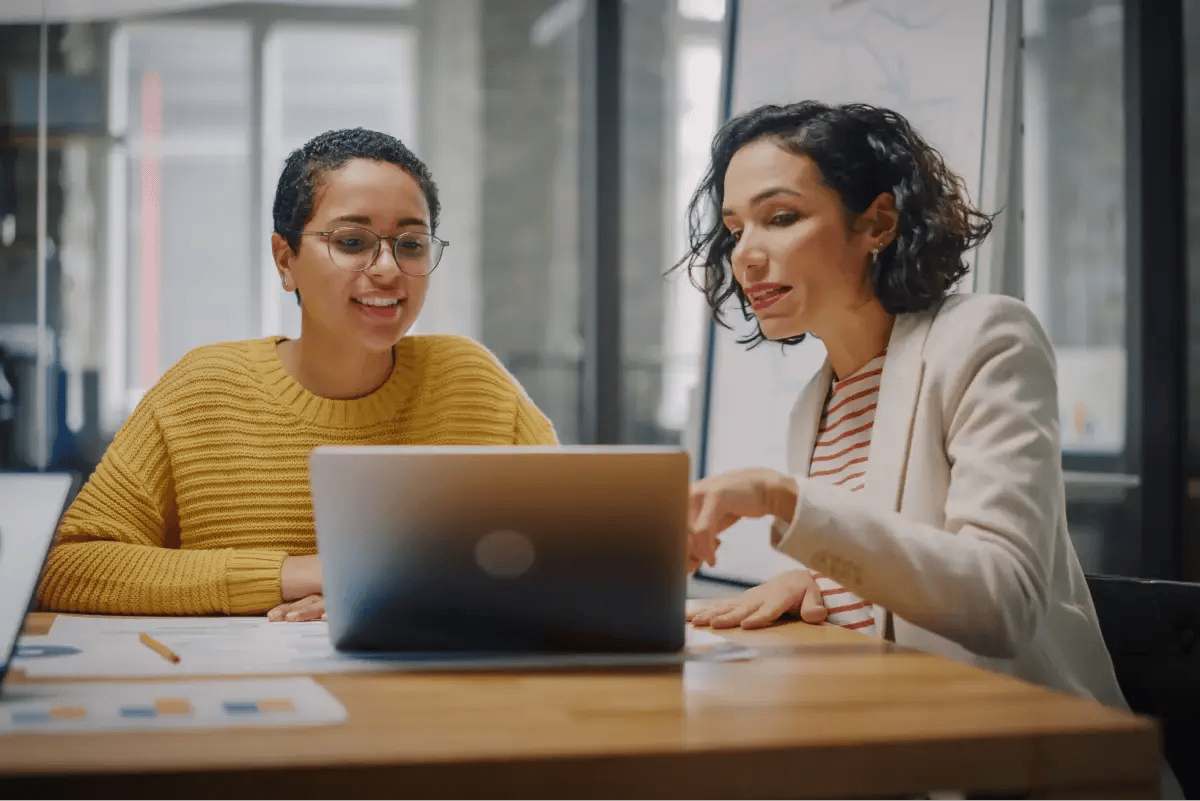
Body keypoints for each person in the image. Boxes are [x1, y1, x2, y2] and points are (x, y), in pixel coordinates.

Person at [38, 128, 558, 622]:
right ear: (285, 259)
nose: (387, 268)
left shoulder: (474, 382)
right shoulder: (202, 391)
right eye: (353, 242)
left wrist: (398, 586)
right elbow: (69, 567)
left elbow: (568, 550)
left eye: (411, 244)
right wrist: (304, 574)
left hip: (430, 691)